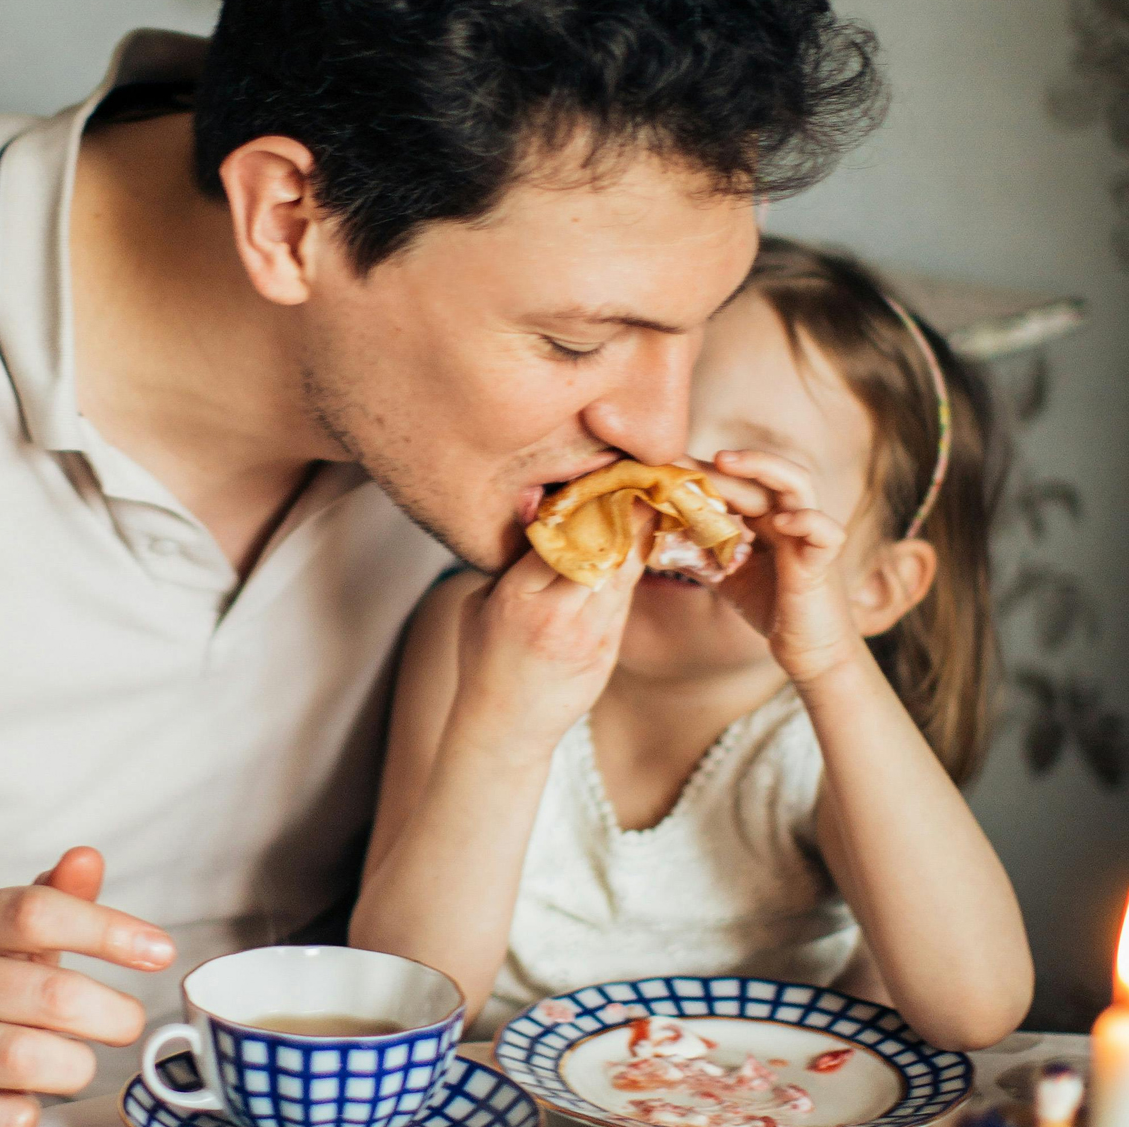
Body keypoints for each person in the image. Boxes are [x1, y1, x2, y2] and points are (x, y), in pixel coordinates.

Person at [0, 0, 882, 1122]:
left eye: (692, 330)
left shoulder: (514, 442)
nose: (659, 424)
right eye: (582, 339)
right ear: (289, 217)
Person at [349, 239, 1033, 1050]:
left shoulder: (822, 736)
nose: (673, 498)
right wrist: (504, 728)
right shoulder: (483, 635)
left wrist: (831, 661)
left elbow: (977, 1007)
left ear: (873, 588)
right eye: (649, 451)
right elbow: (396, 1007)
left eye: (751, 478)